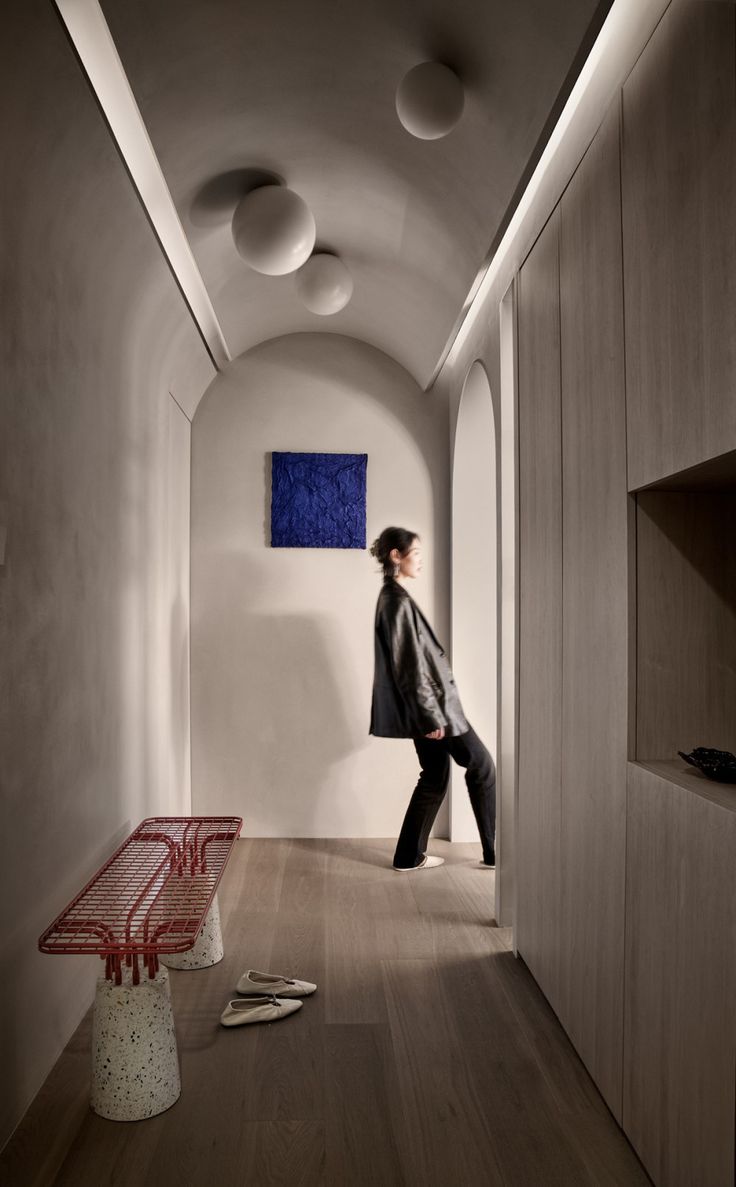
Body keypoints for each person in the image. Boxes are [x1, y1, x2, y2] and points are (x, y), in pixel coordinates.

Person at [369, 526, 496, 872]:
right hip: (435, 710)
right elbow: (408, 667)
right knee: (482, 766)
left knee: (435, 775)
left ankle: (409, 855)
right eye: (416, 552)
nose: (421, 560)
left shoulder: (395, 598)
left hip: (431, 709)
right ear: (396, 555)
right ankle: (495, 853)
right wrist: (429, 717)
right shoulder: (395, 601)